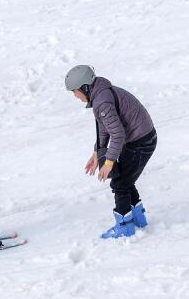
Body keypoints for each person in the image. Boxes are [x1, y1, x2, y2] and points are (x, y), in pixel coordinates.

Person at [65, 65, 157, 239]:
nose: (74, 96)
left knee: (120, 183)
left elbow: (117, 134)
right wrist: (96, 152)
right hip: (140, 139)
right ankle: (138, 218)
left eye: (75, 91)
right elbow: (104, 127)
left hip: (141, 142)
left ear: (85, 87)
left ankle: (124, 226)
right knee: (125, 179)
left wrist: (108, 162)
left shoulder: (102, 102)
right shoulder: (101, 95)